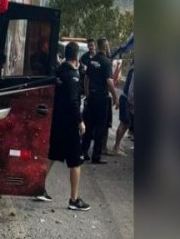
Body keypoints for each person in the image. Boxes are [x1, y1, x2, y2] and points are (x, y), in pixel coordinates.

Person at [37, 41, 91, 210]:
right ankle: (74, 200)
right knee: (76, 162)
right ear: (76, 56)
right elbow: (74, 102)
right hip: (69, 124)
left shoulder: (59, 71)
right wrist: (80, 121)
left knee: (53, 155)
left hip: (57, 121)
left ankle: (37, 187)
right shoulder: (73, 76)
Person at [81, 38, 119, 164]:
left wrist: (87, 94)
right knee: (100, 128)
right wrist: (115, 96)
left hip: (91, 97)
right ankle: (96, 156)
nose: (109, 47)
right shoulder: (106, 62)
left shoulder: (92, 61)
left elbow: (86, 78)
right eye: (108, 45)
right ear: (105, 46)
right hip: (101, 99)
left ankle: (83, 152)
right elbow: (109, 81)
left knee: (89, 125)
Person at [111, 60, 134, 155]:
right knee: (123, 124)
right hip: (127, 99)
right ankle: (116, 147)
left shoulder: (133, 68)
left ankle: (117, 146)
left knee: (125, 124)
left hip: (126, 99)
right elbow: (131, 90)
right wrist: (132, 103)